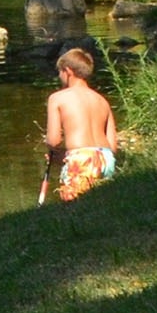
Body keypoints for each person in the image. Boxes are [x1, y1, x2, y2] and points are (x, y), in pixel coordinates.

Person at [44, 46, 119, 203]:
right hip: (106, 159)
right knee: (100, 206)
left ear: (68, 71)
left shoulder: (57, 98)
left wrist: (54, 153)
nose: (59, 77)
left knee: (72, 208)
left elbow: (54, 140)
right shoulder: (102, 101)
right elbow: (112, 146)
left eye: (60, 72)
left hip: (81, 160)